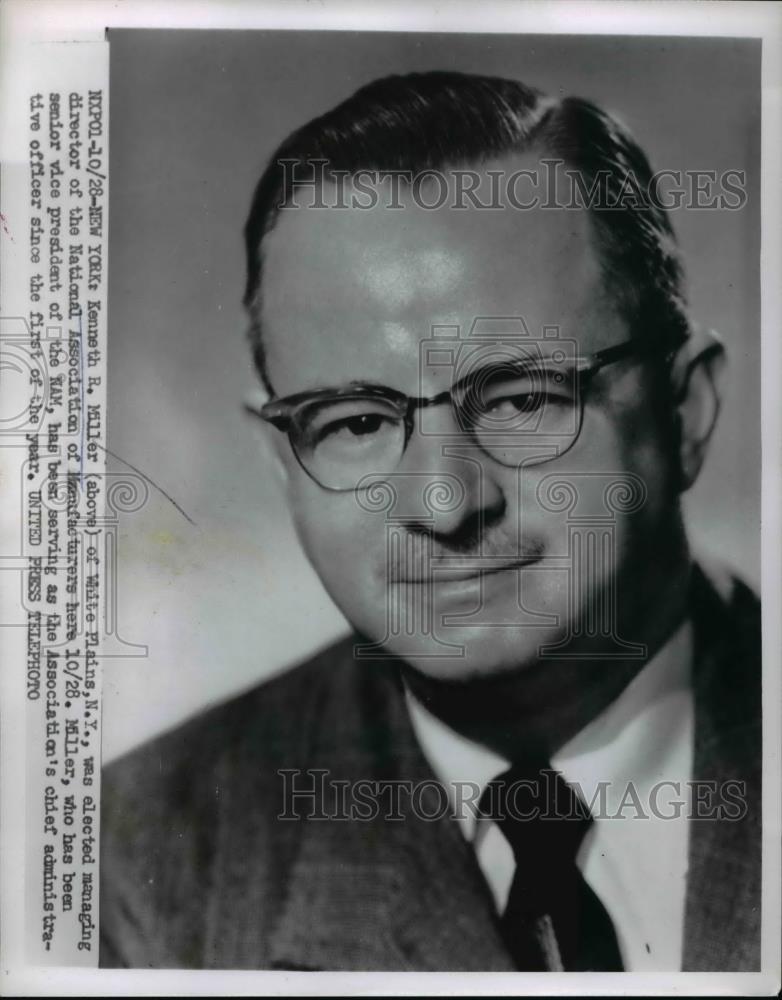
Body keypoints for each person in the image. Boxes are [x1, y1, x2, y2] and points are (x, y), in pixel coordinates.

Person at [99, 71, 761, 972]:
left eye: (523, 401)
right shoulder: (130, 879)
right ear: (282, 461)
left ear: (685, 411)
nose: (446, 506)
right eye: (357, 424)